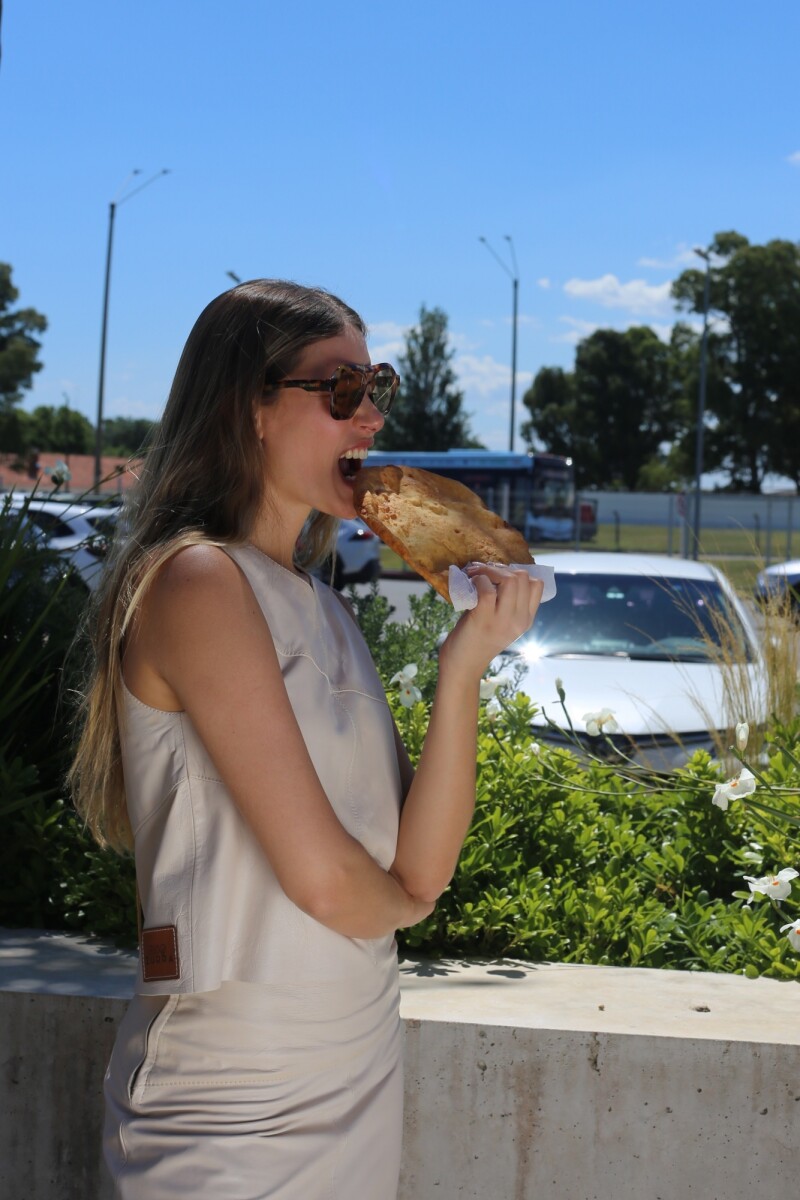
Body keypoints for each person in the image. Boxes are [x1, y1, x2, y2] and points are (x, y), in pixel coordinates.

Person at [69, 279, 543, 1200]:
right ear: (247, 408)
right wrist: (403, 904)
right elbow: (333, 883)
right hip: (228, 1102)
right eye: (340, 391)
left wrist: (464, 668)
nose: (368, 418)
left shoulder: (326, 608)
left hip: (356, 1063)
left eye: (378, 389)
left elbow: (420, 866)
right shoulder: (199, 583)